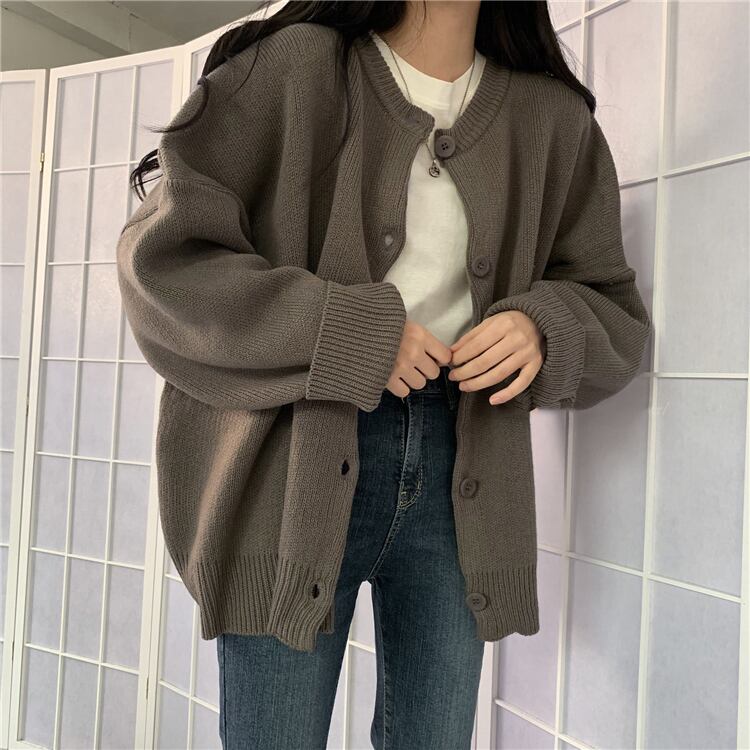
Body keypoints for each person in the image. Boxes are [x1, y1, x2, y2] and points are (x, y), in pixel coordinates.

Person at [117, 1, 651, 748]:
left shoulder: (552, 121)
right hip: (294, 469)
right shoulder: (296, 69)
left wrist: (544, 326)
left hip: (463, 474)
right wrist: (347, 331)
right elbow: (163, 264)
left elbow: (614, 311)